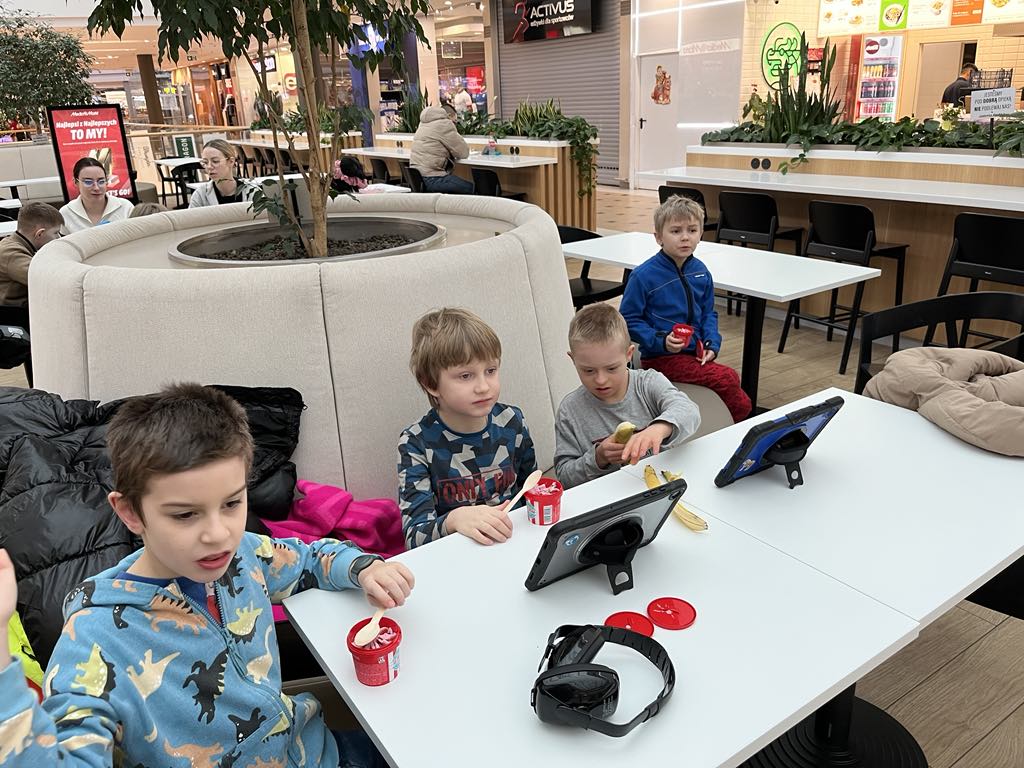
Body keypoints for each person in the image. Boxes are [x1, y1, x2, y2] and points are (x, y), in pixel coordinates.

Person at [0, 383, 414, 768]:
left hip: (318, 751)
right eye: (185, 514)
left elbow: (306, 560)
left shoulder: (243, 553)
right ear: (130, 512)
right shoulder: (94, 638)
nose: (218, 534)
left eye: (232, 503)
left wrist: (363, 568)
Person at [399, 307, 537, 548]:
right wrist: (453, 520)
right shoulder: (415, 443)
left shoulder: (512, 421)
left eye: (490, 371)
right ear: (430, 383)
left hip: (516, 544)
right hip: (457, 555)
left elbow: (532, 490)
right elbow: (414, 538)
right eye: (465, 376)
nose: (483, 387)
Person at [620, 195, 753, 422]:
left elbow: (708, 313)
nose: (685, 237)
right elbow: (628, 320)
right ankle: (744, 423)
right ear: (658, 237)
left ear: (701, 234)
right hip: (661, 358)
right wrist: (662, 340)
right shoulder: (643, 276)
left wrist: (712, 343)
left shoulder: (701, 271)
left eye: (692, 230)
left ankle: (729, 424)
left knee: (727, 380)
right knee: (728, 378)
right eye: (675, 231)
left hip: (696, 354)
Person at [554, 303, 701, 488]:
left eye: (611, 368)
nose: (601, 380)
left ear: (629, 354)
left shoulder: (647, 383)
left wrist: (659, 428)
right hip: (607, 497)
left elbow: (690, 411)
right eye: (588, 370)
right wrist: (598, 457)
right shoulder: (569, 410)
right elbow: (564, 477)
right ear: (573, 360)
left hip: (662, 486)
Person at [0, 201, 62, 308]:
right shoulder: (12, 254)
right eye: (56, 233)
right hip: (15, 312)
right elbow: (47, 280)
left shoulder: (15, 242)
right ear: (39, 234)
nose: (59, 237)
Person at [59, 157, 134, 234]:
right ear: (75, 182)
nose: (96, 188)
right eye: (88, 182)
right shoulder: (66, 213)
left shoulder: (125, 207)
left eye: (101, 181)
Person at [409, 105, 474, 194]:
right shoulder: (444, 124)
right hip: (432, 178)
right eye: (455, 121)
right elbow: (463, 153)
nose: (454, 124)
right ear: (449, 116)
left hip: (416, 178)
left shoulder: (423, 124)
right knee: (472, 188)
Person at [189, 139, 252, 208]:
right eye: (205, 162)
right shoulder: (200, 195)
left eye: (215, 161)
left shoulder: (251, 191)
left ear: (231, 161)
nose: (209, 167)